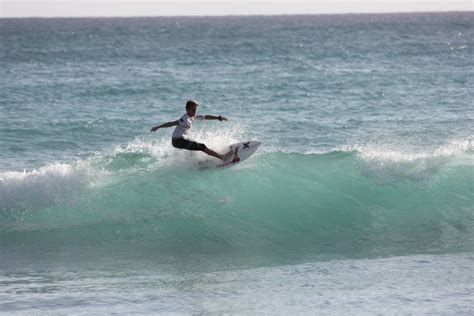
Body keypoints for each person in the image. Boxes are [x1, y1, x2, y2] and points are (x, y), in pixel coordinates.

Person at [150, 100, 239, 162]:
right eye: (193, 110)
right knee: (201, 146)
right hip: (178, 141)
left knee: (193, 148)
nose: (195, 112)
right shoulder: (184, 119)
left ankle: (198, 163)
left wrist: (218, 118)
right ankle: (222, 157)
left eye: (196, 110)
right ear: (187, 109)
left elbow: (206, 117)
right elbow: (172, 123)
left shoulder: (192, 117)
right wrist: (158, 127)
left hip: (180, 140)